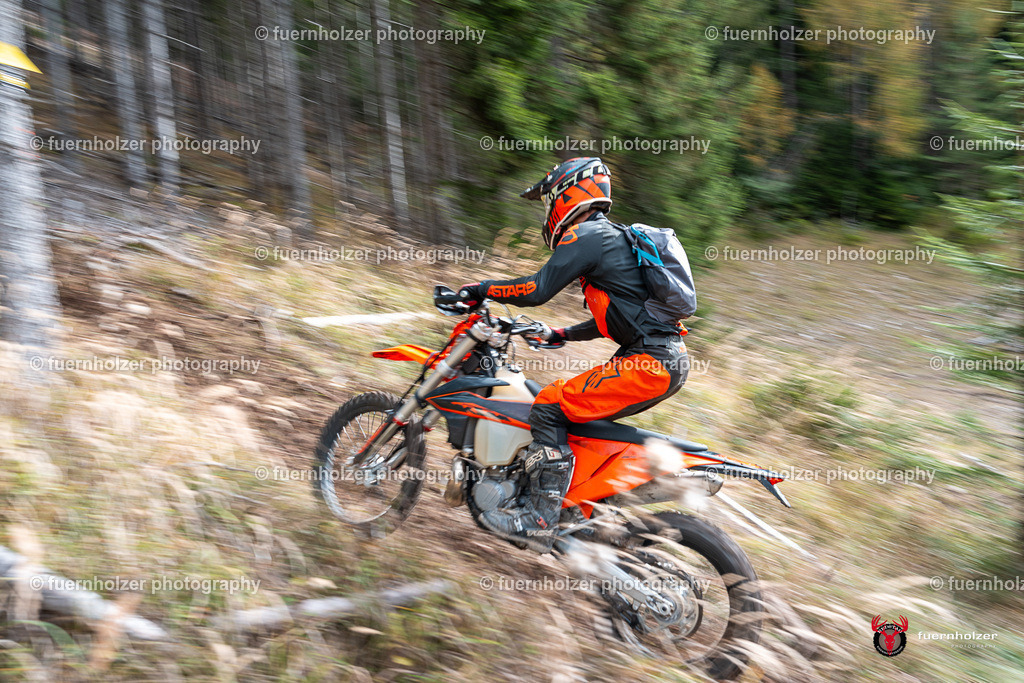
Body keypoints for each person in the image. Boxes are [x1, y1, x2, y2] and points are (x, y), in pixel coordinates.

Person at [455, 157, 691, 551]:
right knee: (572, 419)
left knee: (548, 405)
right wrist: (561, 333)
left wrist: (480, 288)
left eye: (550, 201)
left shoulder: (587, 235)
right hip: (661, 361)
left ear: (570, 193)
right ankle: (575, 509)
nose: (548, 211)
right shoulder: (608, 239)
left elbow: (536, 289)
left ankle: (540, 518)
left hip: (651, 363)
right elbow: (616, 317)